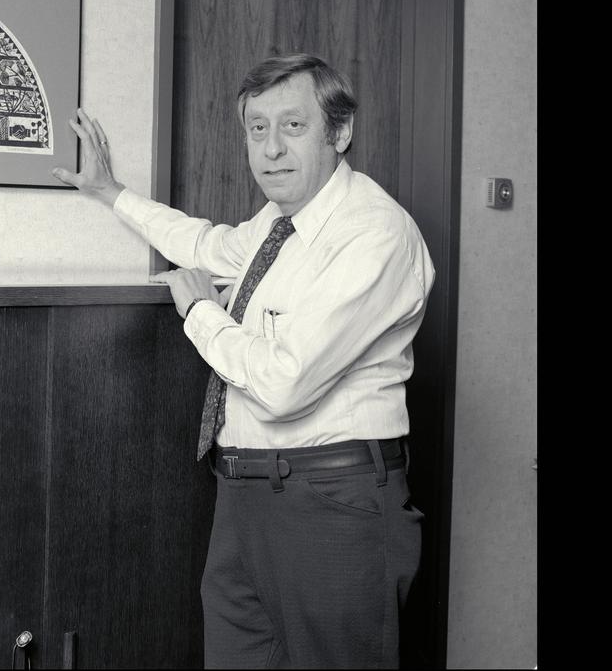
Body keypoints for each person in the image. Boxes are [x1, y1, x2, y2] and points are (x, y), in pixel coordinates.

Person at [52, 53, 434, 669]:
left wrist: (202, 315)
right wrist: (109, 193)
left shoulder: (375, 235)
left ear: (340, 132)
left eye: (294, 126)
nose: (272, 149)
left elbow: (284, 384)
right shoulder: (276, 223)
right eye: (258, 129)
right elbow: (202, 243)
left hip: (332, 500)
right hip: (245, 492)